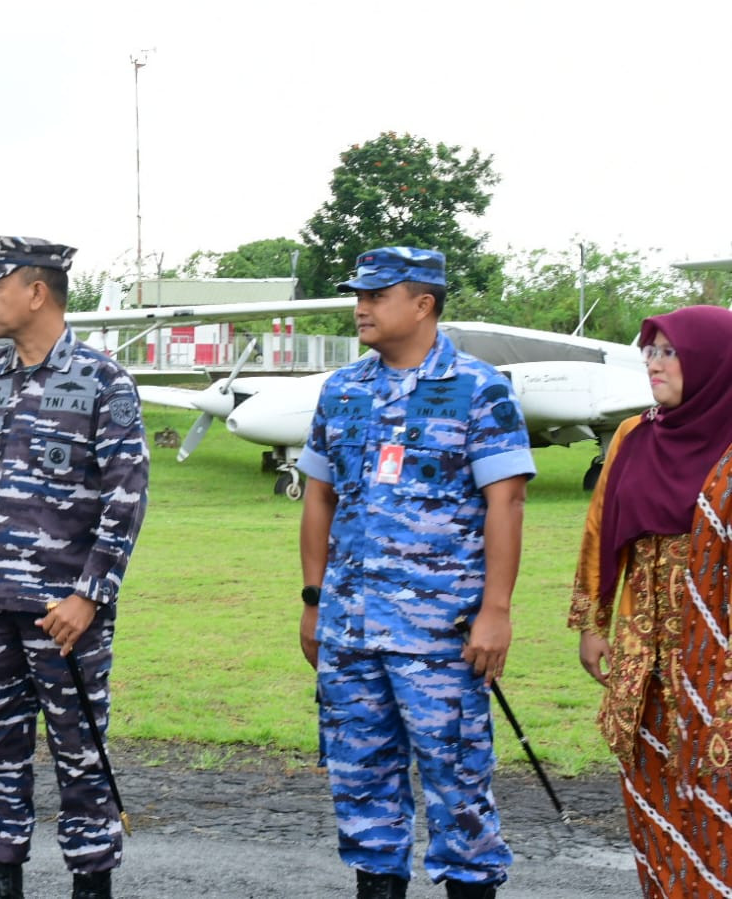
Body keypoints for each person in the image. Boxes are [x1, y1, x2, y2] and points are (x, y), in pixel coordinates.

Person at [297, 246, 535, 899]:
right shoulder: (341, 391)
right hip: (350, 632)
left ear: (422, 304)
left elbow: (505, 501)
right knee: (360, 785)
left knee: (457, 788)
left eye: (376, 295)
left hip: (441, 634)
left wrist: (495, 611)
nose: (360, 307)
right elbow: (318, 495)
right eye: (359, 295)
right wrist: (314, 600)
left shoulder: (479, 389)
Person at [0, 235, 149, 899]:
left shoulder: (103, 382)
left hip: (64, 614)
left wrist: (89, 597)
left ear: (36, 292)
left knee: (79, 756)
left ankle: (91, 884)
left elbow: (125, 497)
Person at [569, 304, 732, 897]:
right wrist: (594, 620)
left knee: (718, 792)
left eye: (668, 352)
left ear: (713, 362)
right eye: (649, 352)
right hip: (645, 655)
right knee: (651, 792)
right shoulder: (635, 435)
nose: (653, 364)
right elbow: (599, 528)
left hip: (717, 656)